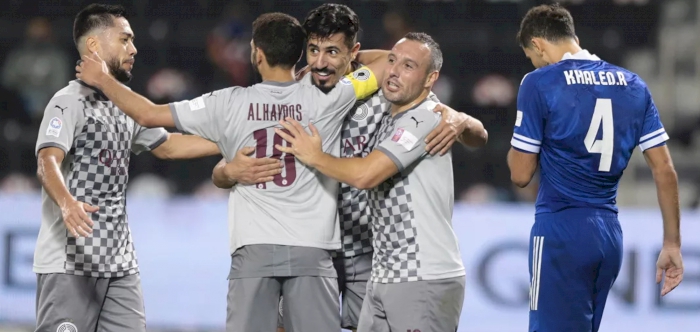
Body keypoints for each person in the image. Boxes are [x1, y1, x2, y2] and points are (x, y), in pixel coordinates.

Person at [75, 11, 391, 332]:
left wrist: (103, 79)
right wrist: (344, 57)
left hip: (254, 251)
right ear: (299, 54)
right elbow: (390, 61)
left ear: (258, 54)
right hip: (314, 251)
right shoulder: (331, 98)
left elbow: (148, 114)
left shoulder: (228, 104)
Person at [212, 4, 486, 331]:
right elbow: (228, 160)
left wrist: (461, 119)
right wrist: (227, 172)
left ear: (353, 52)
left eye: (332, 52)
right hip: (313, 246)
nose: (320, 62)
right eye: (312, 50)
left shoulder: (389, 89)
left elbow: (459, 121)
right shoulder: (297, 95)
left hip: (373, 252)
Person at [34, 4, 221, 332]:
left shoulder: (124, 104)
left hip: (120, 265)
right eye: (124, 40)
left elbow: (169, 146)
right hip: (70, 262)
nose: (133, 48)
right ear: (94, 46)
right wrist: (67, 202)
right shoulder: (68, 101)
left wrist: (228, 141)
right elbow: (47, 160)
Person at [508, 4, 684, 332]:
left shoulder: (539, 82)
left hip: (561, 229)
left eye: (532, 57)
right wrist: (672, 244)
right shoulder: (633, 84)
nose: (534, 63)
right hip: (608, 235)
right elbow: (665, 169)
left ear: (538, 44)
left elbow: (520, 175)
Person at [276, 32, 465, 332]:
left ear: (431, 79)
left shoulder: (427, 115)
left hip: (422, 273)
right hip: (385, 273)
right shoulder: (388, 116)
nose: (393, 70)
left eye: (408, 66)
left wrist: (313, 156)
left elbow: (366, 175)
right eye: (391, 61)